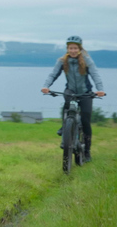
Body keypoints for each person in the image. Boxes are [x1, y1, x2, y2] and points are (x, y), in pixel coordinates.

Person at [41, 35, 105, 163]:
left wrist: (100, 89)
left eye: (75, 48)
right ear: (67, 49)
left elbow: (95, 75)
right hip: (70, 90)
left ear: (80, 49)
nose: (73, 50)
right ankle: (65, 128)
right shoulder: (62, 61)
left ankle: (87, 151)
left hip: (85, 92)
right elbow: (53, 74)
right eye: (71, 48)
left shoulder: (87, 60)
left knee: (86, 121)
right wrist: (46, 86)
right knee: (67, 105)